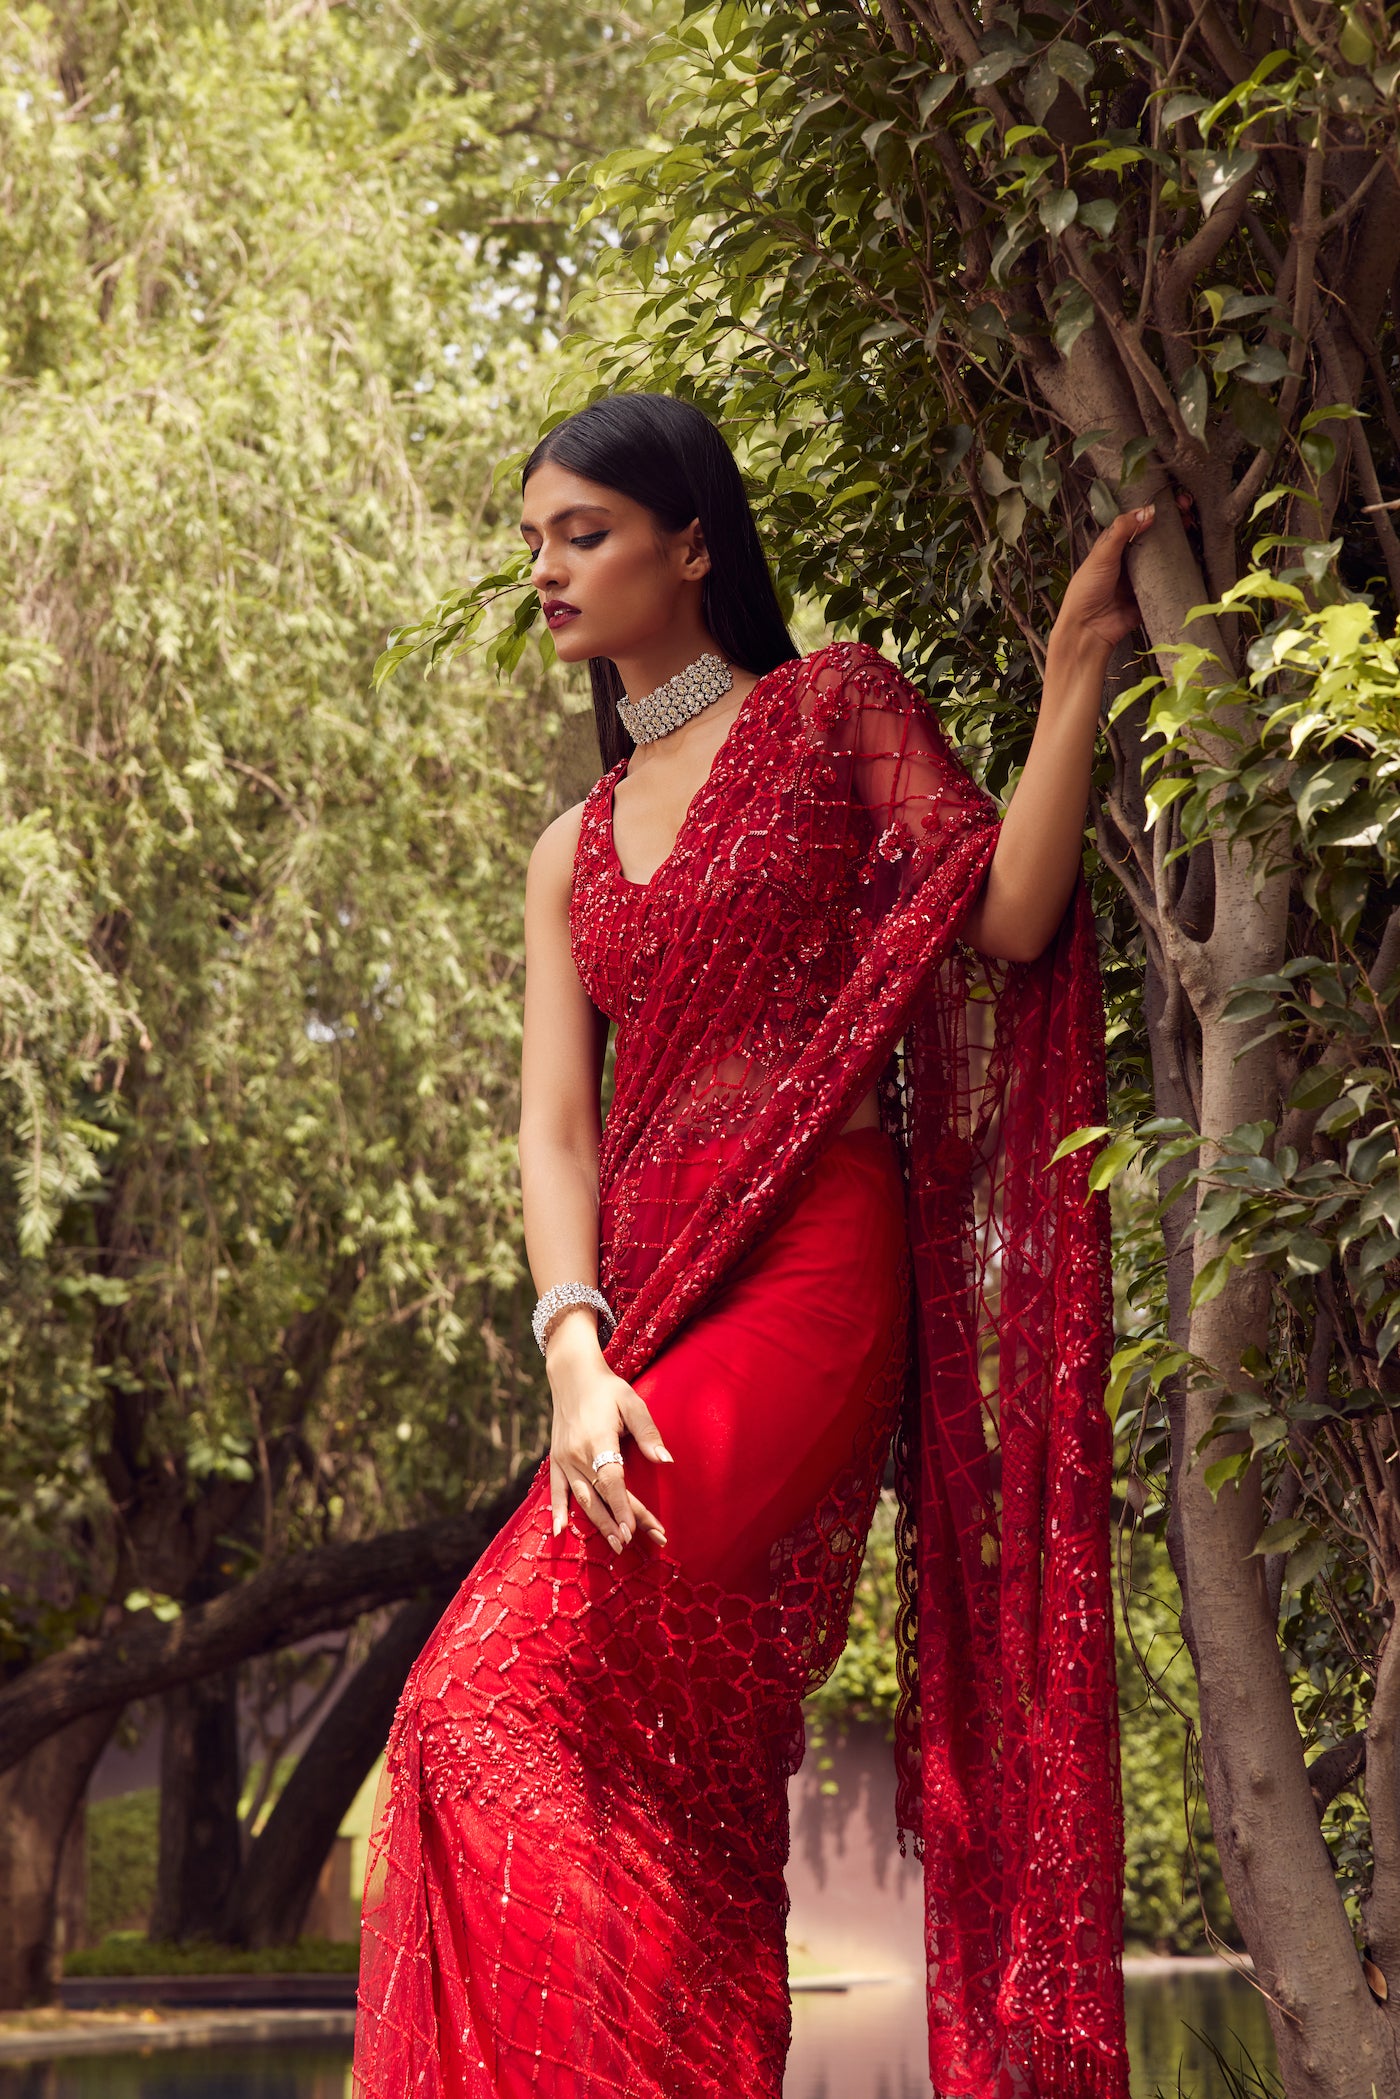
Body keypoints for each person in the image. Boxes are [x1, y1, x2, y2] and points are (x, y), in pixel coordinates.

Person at [353, 392, 1154, 2099]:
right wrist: (573, 1350)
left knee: (469, 1698)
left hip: (815, 1281)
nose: (550, 571)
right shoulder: (568, 850)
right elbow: (555, 1130)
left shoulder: (830, 713)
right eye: (534, 543)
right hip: (643, 1321)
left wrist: (1076, 667)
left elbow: (1004, 915)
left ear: (691, 542)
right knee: (659, 1768)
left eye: (585, 533)